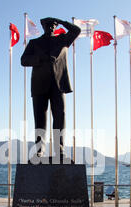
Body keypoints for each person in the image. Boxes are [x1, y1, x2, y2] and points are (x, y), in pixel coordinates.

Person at [21, 17, 80, 161]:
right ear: (43, 26)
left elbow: (76, 30)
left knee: (60, 116)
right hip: (39, 84)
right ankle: (39, 150)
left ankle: (59, 150)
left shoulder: (63, 40)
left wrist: (61, 21)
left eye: (53, 25)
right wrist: (39, 58)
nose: (51, 27)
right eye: (48, 25)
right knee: (40, 118)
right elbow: (24, 60)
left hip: (58, 84)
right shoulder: (35, 43)